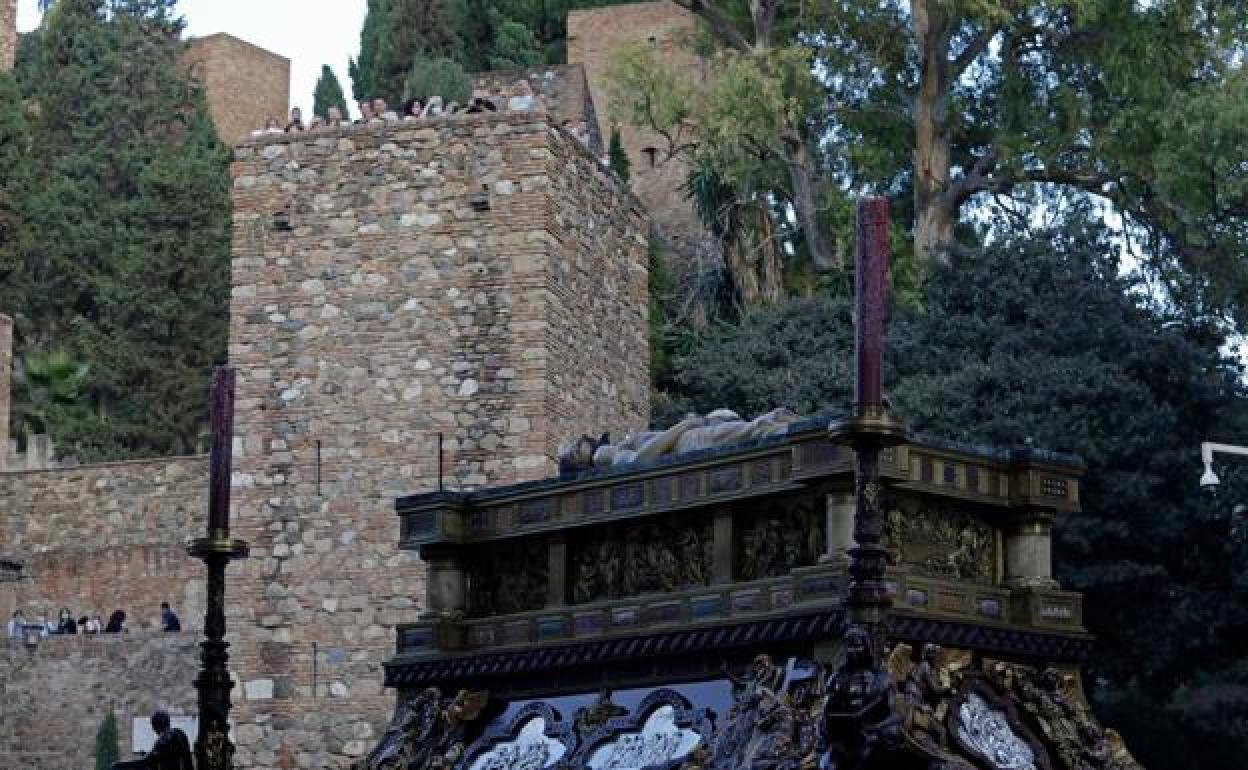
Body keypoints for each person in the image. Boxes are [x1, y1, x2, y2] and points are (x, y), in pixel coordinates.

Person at [114, 711, 194, 770]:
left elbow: (147, 762)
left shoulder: (165, 737)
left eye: (153, 725)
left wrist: (121, 765)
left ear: (156, 725)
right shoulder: (180, 733)